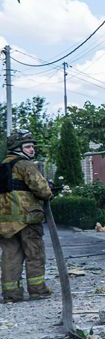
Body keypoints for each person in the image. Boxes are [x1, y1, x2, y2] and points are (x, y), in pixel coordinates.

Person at [0, 130, 54, 303]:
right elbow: (42, 189)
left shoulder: (2, 165)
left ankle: (11, 294)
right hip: (27, 220)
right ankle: (38, 291)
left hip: (5, 222)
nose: (32, 150)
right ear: (18, 148)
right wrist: (49, 193)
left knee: (10, 256)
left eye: (32, 146)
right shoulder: (25, 165)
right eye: (28, 146)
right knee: (35, 254)